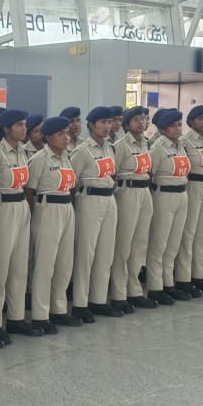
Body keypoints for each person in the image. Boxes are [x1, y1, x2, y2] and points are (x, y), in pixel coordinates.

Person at [0, 109, 40, 340]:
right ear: (6, 129)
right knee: (0, 268)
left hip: (20, 206)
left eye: (25, 125)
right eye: (18, 125)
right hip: (2, 207)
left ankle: (16, 317)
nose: (23, 129)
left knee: (19, 267)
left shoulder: (22, 153)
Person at [26, 116, 79, 333]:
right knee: (45, 264)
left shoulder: (66, 157)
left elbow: (72, 186)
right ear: (48, 137)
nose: (66, 138)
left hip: (66, 207)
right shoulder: (40, 159)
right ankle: (40, 314)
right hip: (47, 209)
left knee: (64, 263)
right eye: (60, 134)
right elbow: (29, 190)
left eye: (67, 133)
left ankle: (58, 309)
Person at [70, 106, 121, 321]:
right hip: (89, 200)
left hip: (109, 199)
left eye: (109, 122)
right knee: (86, 253)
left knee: (105, 252)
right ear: (91, 125)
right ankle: (80, 303)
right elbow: (71, 181)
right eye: (102, 122)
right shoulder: (82, 150)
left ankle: (99, 299)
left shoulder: (110, 148)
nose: (107, 127)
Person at [109, 106, 155, 313]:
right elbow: (113, 173)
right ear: (127, 124)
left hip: (144, 192)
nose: (142, 122)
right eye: (137, 119)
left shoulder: (146, 143)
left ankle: (134, 290)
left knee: (139, 244)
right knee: (123, 246)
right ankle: (119, 293)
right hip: (127, 193)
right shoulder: (120, 146)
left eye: (145, 119)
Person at [144, 109, 191, 305]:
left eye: (179, 124)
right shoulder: (157, 148)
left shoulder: (180, 147)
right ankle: (155, 287)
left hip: (181, 194)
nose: (177, 128)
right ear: (163, 129)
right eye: (173, 125)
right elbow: (149, 174)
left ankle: (168, 283)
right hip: (163, 195)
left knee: (173, 244)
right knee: (159, 244)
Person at [174, 105, 203, 295]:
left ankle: (200, 274)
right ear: (191, 122)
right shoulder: (185, 142)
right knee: (189, 233)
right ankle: (184, 277)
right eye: (201, 118)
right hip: (193, 185)